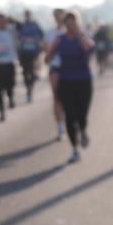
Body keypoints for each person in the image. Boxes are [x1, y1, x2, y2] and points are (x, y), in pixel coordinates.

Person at [45, 10, 95, 163]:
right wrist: (50, 57)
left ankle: (83, 129)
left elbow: (91, 48)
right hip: (66, 81)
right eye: (67, 22)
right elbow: (48, 58)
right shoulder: (60, 40)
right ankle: (74, 149)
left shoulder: (83, 36)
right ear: (64, 24)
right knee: (69, 116)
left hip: (83, 81)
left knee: (82, 114)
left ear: (77, 22)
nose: (70, 25)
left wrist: (79, 34)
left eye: (73, 22)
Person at [0, 14, 18, 121]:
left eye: (4, 21)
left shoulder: (11, 31)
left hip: (9, 63)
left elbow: (21, 25)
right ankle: (1, 111)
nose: (1, 23)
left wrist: (10, 19)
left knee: (10, 87)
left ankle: (11, 98)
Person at [44, 8, 66, 139]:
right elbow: (47, 52)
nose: (58, 18)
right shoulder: (50, 33)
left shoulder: (70, 32)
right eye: (56, 16)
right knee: (57, 98)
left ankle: (69, 122)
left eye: (60, 16)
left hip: (70, 69)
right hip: (56, 68)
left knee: (69, 99)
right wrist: (50, 52)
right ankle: (59, 127)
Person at [17, 9, 44, 103]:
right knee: (25, 73)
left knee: (31, 72)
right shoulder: (22, 25)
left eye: (29, 15)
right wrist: (23, 39)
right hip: (24, 52)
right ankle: (28, 90)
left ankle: (30, 92)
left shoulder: (35, 25)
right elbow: (18, 36)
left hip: (33, 52)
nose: (27, 16)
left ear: (31, 15)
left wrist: (35, 40)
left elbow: (41, 35)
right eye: (26, 15)